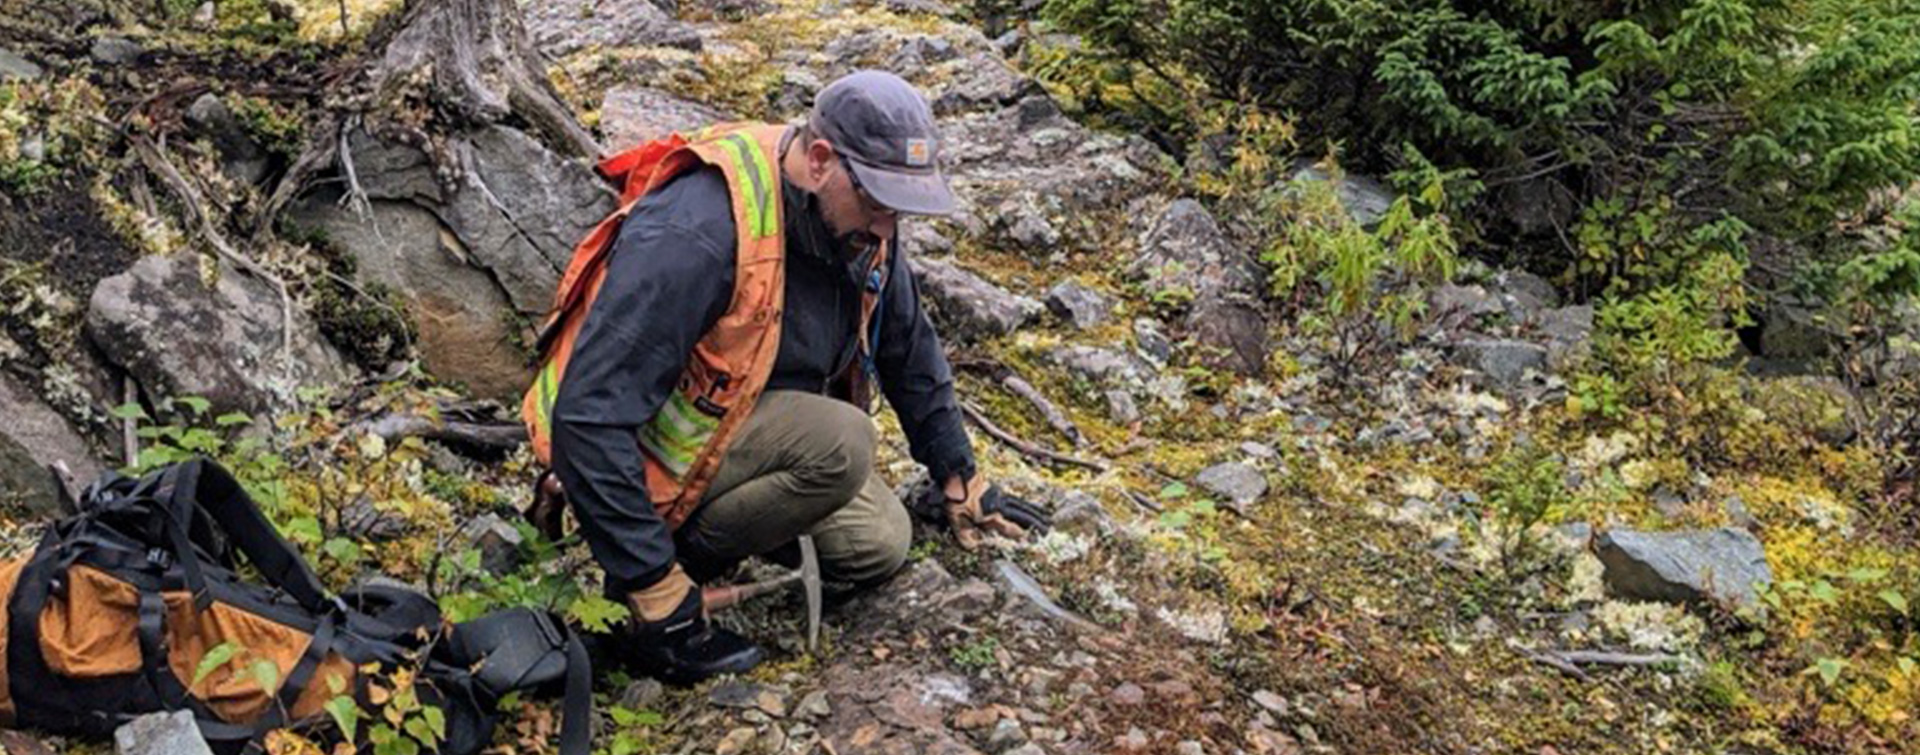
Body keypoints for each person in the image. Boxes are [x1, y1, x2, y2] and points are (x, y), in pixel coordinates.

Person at [523, 70, 1037, 684]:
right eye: (877, 204)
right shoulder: (699, 230)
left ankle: (699, 545)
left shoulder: (862, 223)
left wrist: (958, 475)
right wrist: (652, 585)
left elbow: (907, 343)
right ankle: (662, 567)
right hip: (635, 456)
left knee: (880, 542)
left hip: (751, 430)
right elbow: (587, 416)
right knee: (843, 443)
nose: (887, 230)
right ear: (820, 160)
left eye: (898, 210)